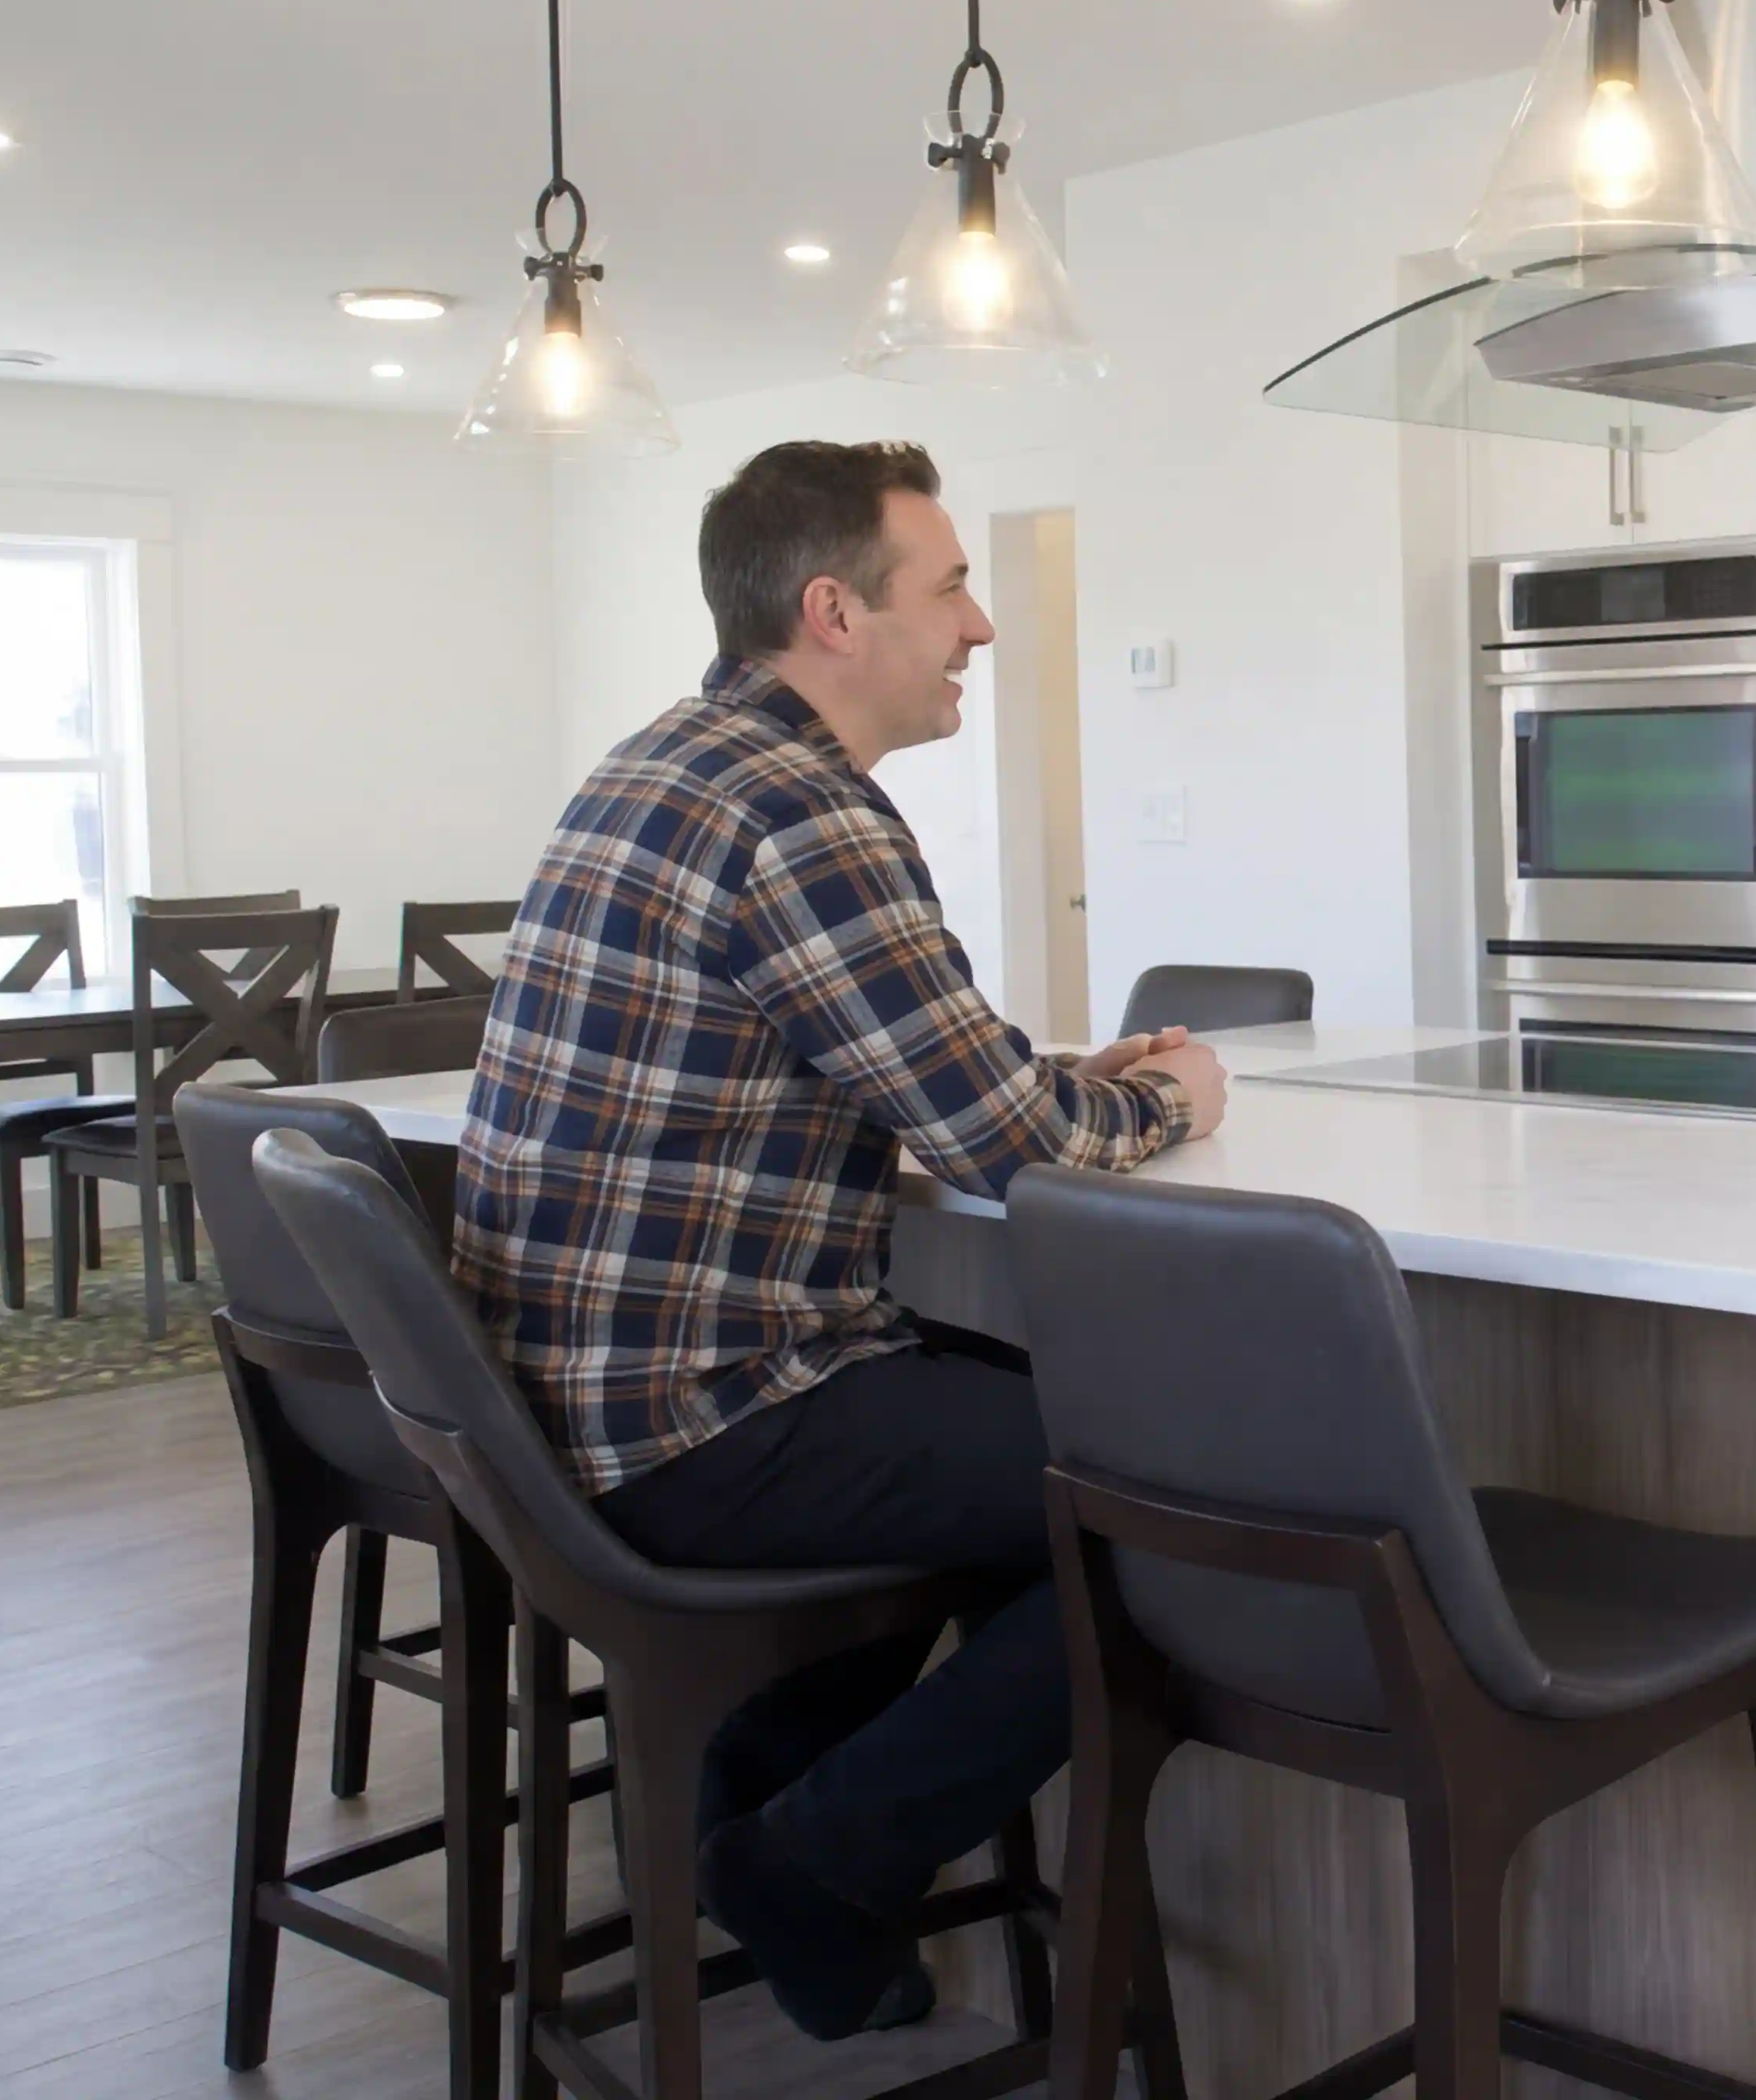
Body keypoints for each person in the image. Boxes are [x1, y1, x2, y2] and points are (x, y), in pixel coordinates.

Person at [454, 439, 1229, 2040]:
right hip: (697, 1417)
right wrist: (1176, 1105)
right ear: (833, 613)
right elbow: (1006, 1149)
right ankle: (815, 1859)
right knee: (1168, 1492)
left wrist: (1067, 1079)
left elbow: (920, 1063)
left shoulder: (663, 763)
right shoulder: (804, 813)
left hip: (549, 1412)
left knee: (1034, 1439)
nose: (980, 629)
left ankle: (746, 1796)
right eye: (948, 589)